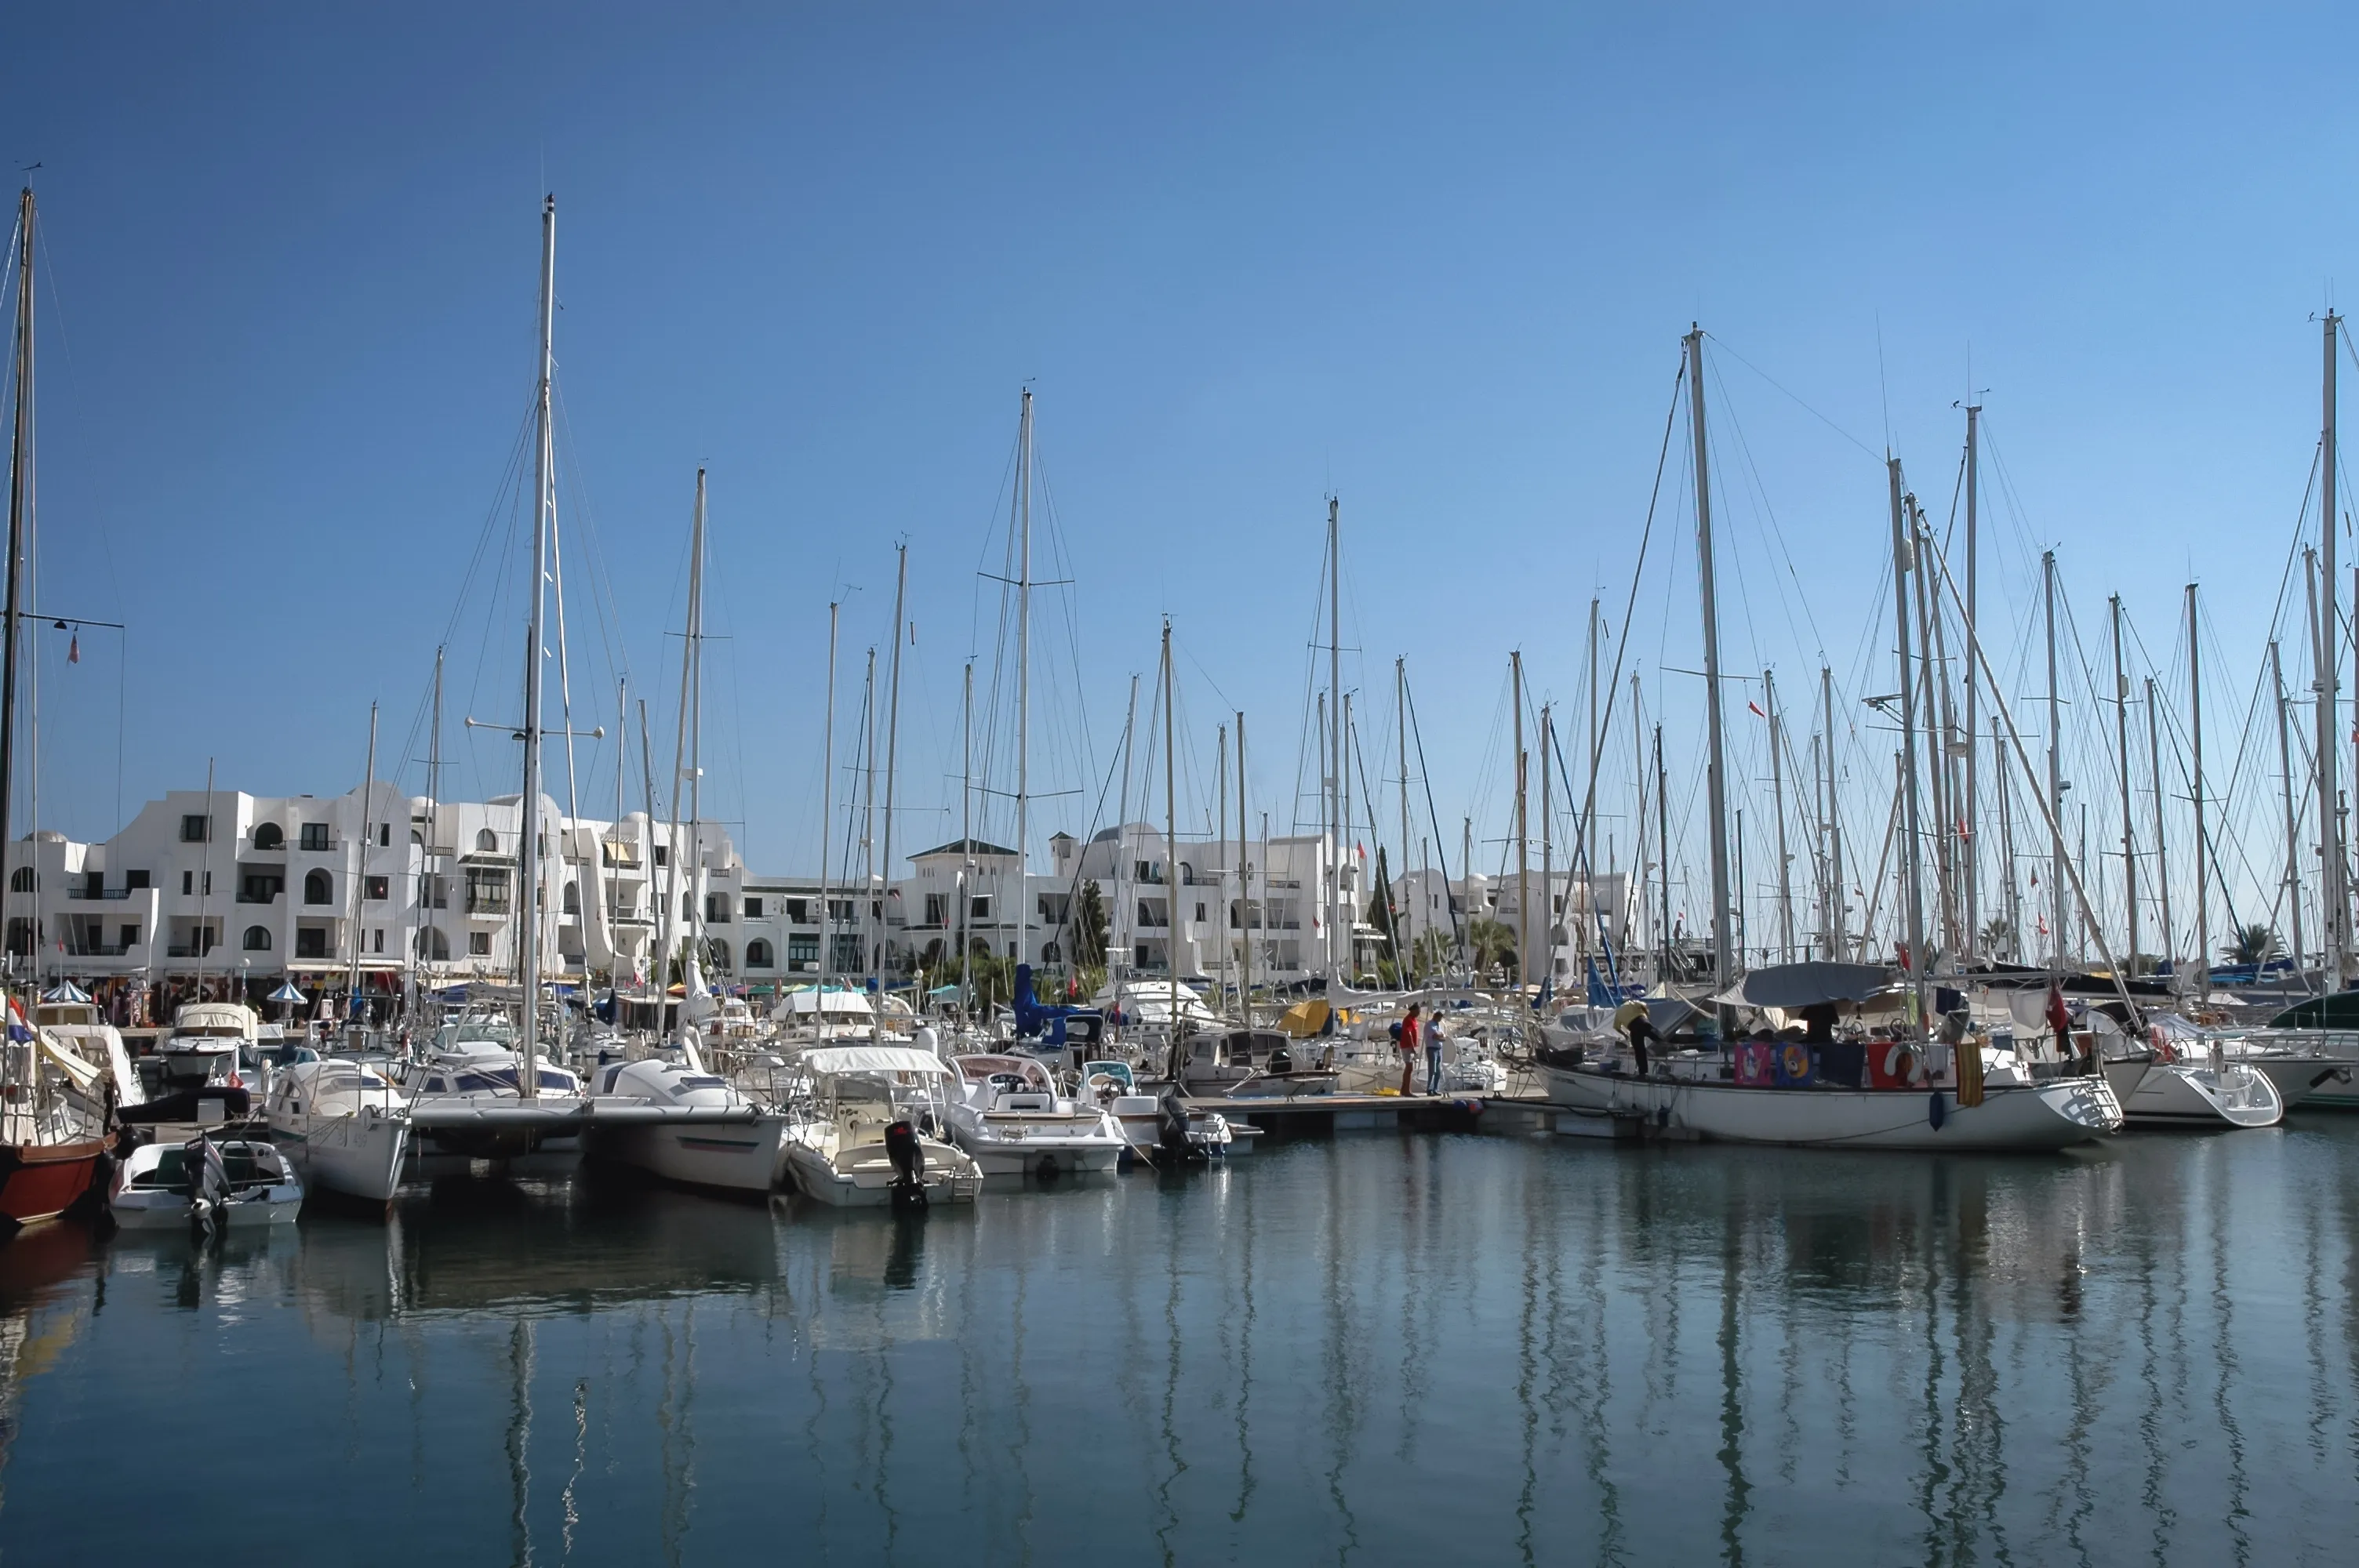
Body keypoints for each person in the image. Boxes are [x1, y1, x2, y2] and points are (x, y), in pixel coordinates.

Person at [1398, 1004, 1421, 1094]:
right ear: (1413, 1010)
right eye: (1418, 1011)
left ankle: (1404, 1090)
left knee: (1409, 1068)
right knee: (1409, 1068)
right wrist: (1412, 1048)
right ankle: (1407, 1090)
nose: (1419, 1013)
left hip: (1412, 1046)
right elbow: (1408, 1034)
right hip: (1407, 1046)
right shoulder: (1408, 1020)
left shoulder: (1414, 1020)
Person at [1424, 1010, 1445, 1094]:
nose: (1440, 1020)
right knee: (1432, 1070)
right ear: (1435, 1016)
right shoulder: (1429, 1025)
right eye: (1439, 1017)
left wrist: (1440, 1036)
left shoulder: (1438, 1025)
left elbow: (1444, 1036)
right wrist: (1440, 1035)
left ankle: (1435, 1089)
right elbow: (1436, 1035)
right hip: (1432, 1048)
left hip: (1438, 1048)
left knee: (1438, 1071)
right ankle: (1429, 1089)